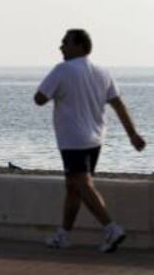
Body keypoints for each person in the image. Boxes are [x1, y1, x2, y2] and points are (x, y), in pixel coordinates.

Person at [34, 29, 146, 253]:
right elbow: (118, 105)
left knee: (82, 185)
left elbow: (39, 99)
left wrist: (52, 92)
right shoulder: (102, 72)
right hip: (95, 139)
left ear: (80, 46)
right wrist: (132, 134)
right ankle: (63, 235)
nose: (61, 47)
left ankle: (111, 228)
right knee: (73, 187)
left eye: (65, 42)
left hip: (73, 140)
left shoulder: (62, 70)